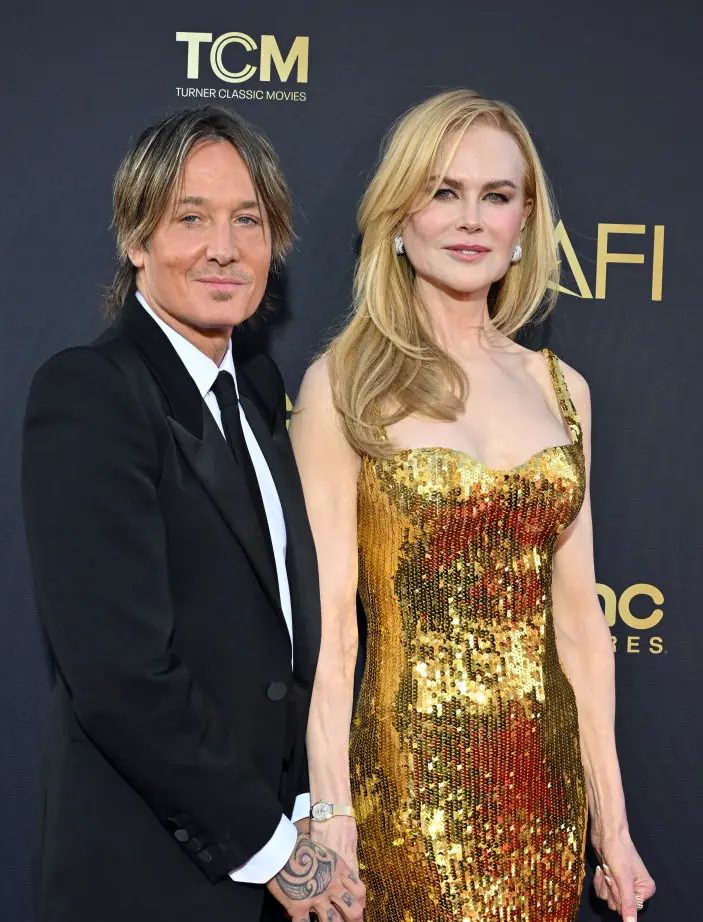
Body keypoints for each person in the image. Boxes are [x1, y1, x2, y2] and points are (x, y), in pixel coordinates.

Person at [290, 89, 656, 922]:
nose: (470, 220)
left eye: (496, 196)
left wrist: (615, 828)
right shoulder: (343, 387)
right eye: (443, 191)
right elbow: (331, 632)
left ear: (525, 222)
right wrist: (331, 812)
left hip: (543, 781)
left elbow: (578, 626)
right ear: (396, 214)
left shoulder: (563, 391)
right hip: (405, 783)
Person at [21, 106, 364, 922]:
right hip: (150, 871)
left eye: (247, 219)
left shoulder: (255, 391)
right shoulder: (92, 392)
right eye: (190, 218)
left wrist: (313, 814)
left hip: (273, 853)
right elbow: (120, 677)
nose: (224, 247)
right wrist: (277, 852)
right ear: (136, 241)